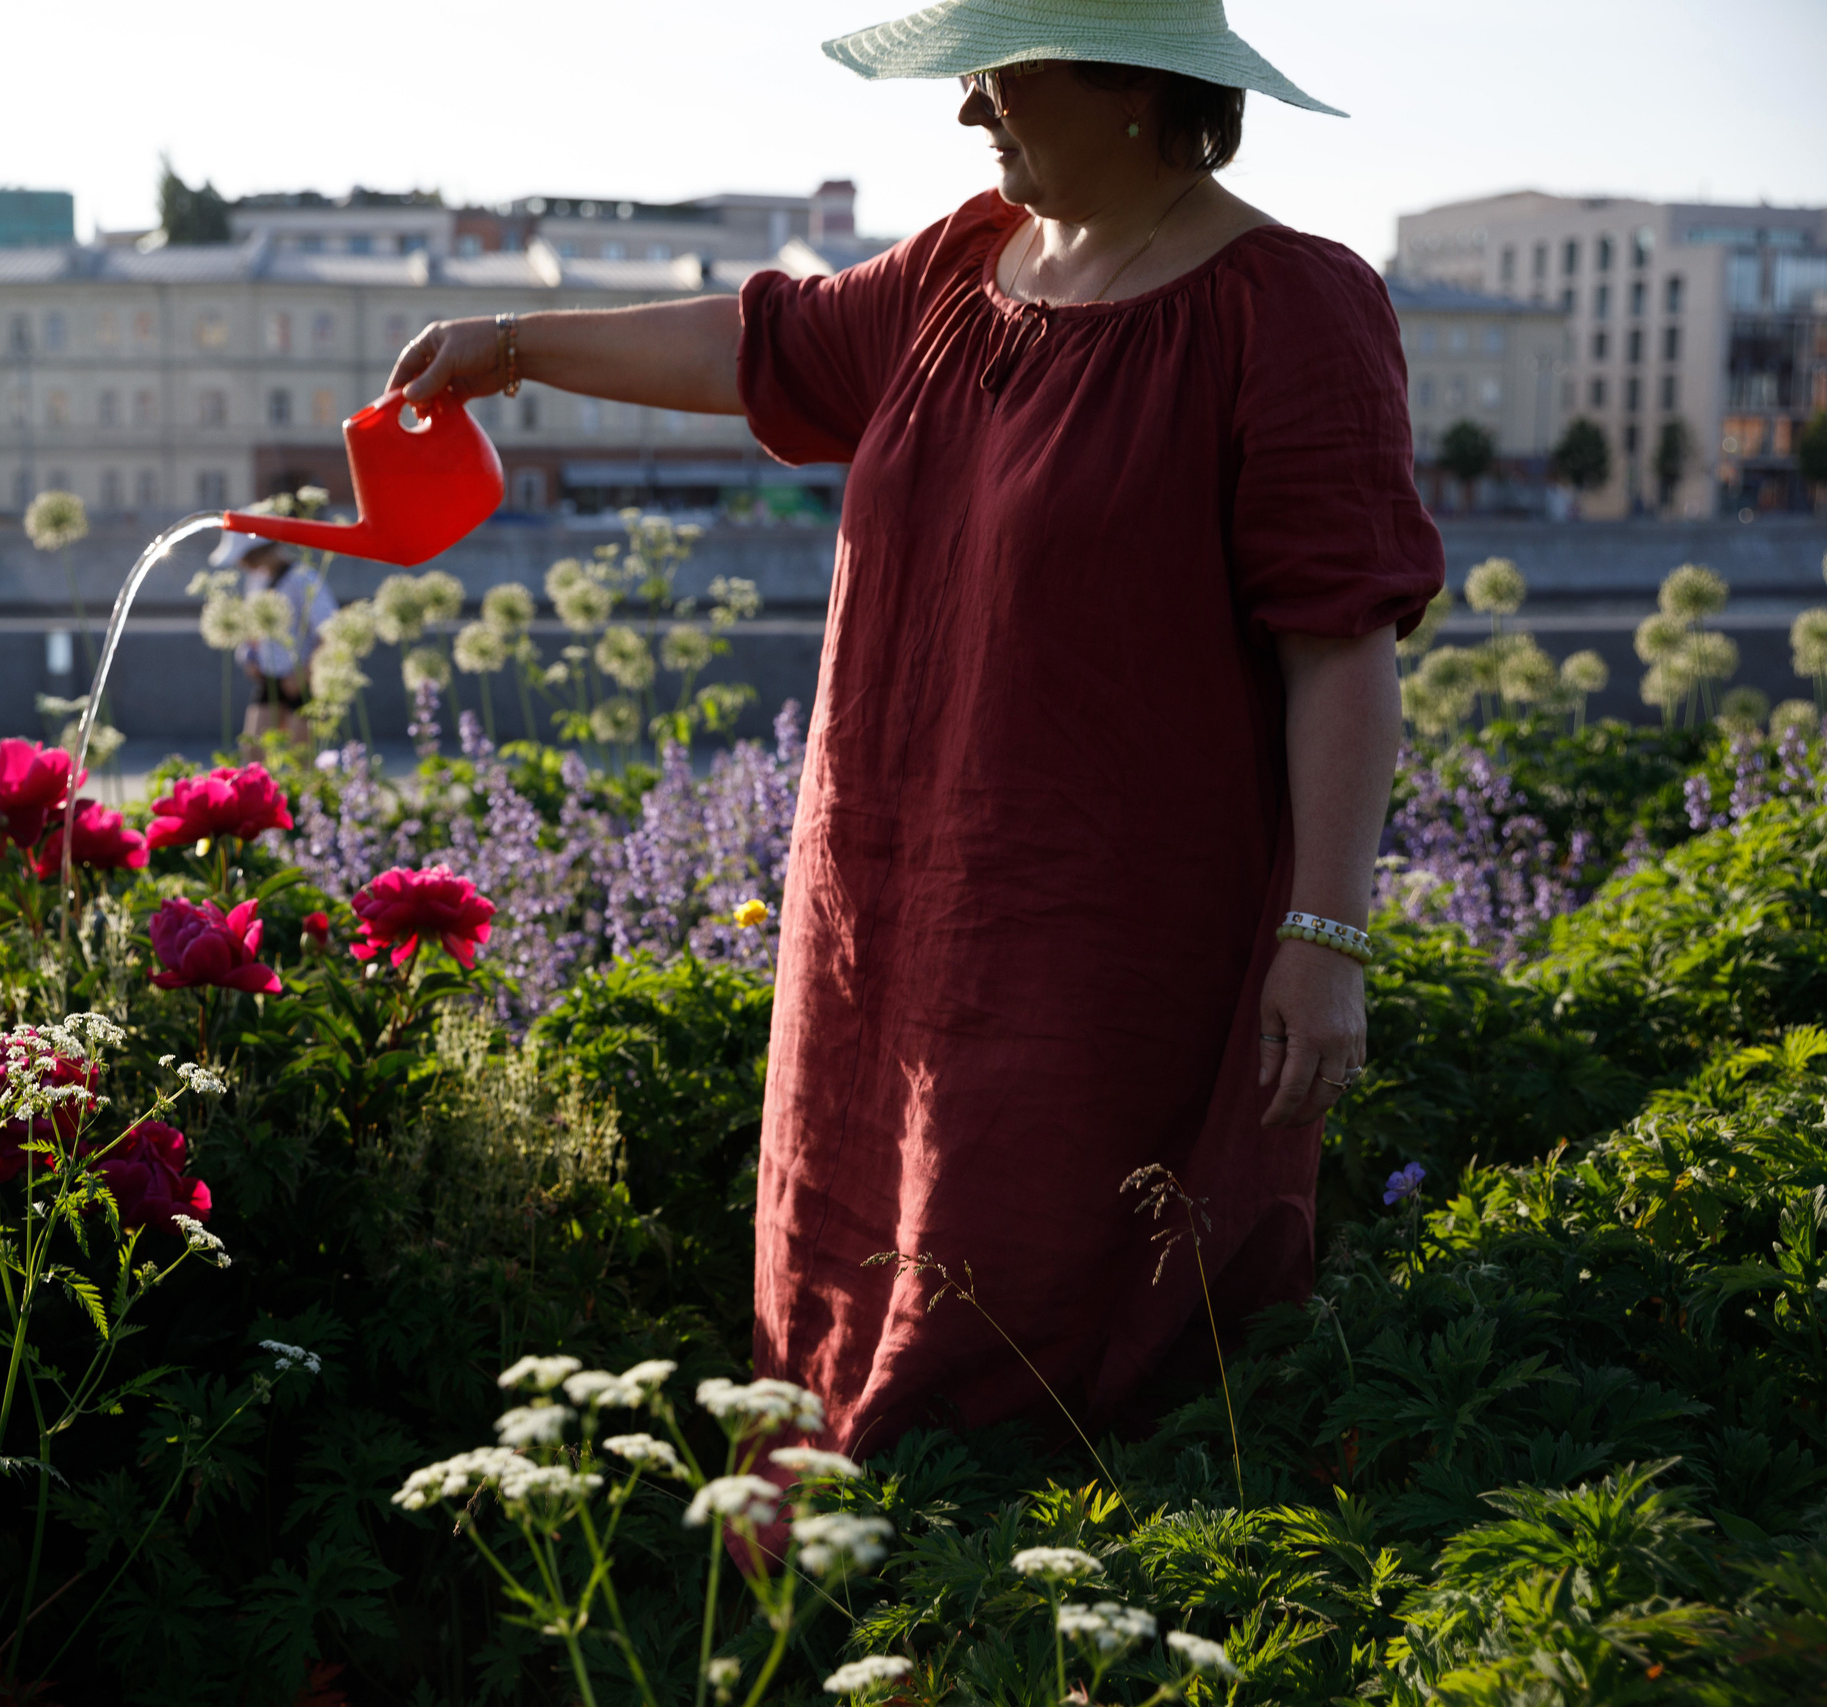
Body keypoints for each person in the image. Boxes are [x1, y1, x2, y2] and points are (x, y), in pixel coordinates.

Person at [388, 0, 1441, 1453]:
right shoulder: (960, 265)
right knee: (849, 1265)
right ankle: (827, 1619)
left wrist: (1323, 940)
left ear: (1130, 83)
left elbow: (1343, 647)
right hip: (880, 925)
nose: (968, 111)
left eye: (999, 75)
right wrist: (509, 347)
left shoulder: (1297, 305)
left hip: (1108, 956)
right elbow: (760, 345)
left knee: (1048, 1336)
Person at [209, 526, 338, 743]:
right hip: (270, 677)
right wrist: (249, 657)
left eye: (245, 558)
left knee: (301, 754)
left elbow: (330, 631)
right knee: (254, 747)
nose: (242, 564)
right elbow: (252, 629)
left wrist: (304, 673)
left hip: (303, 680)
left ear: (258, 552)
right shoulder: (256, 580)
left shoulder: (302, 578)